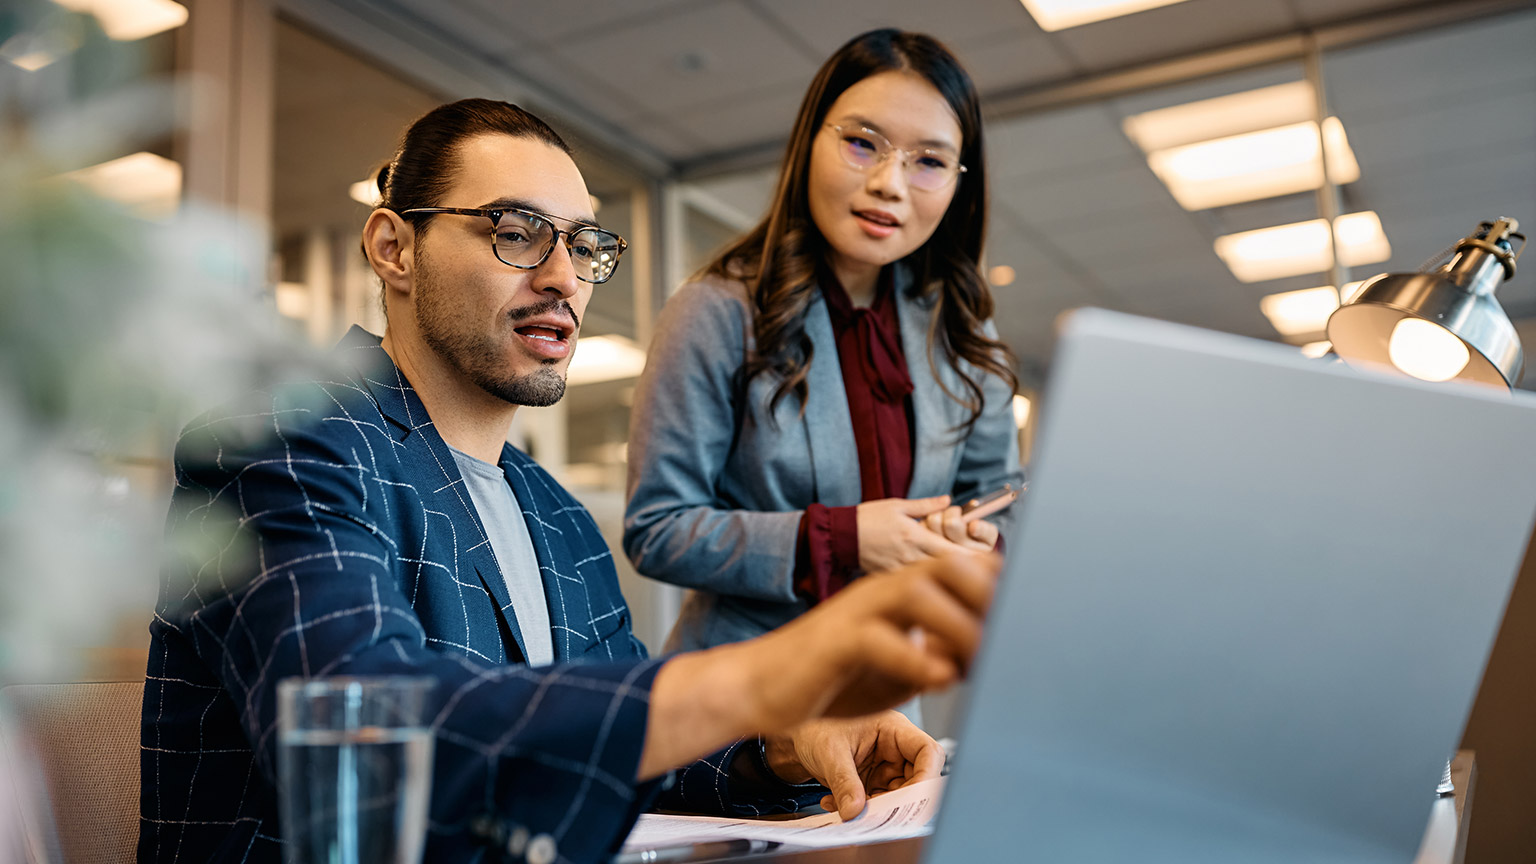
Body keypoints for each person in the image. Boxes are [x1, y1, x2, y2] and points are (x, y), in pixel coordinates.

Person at [138, 99, 997, 864]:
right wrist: (771, 672)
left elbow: (610, 745)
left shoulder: (554, 513)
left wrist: (783, 739)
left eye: (583, 245)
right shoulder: (281, 439)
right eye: (515, 231)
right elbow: (368, 734)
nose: (562, 278)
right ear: (394, 248)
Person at [624, 30, 1022, 655]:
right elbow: (659, 530)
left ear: (958, 184)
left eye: (929, 160)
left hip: (887, 691)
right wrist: (844, 538)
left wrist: (972, 538)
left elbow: (1001, 503)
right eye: (864, 144)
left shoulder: (962, 328)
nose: (891, 184)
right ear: (810, 141)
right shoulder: (717, 311)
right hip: (740, 700)